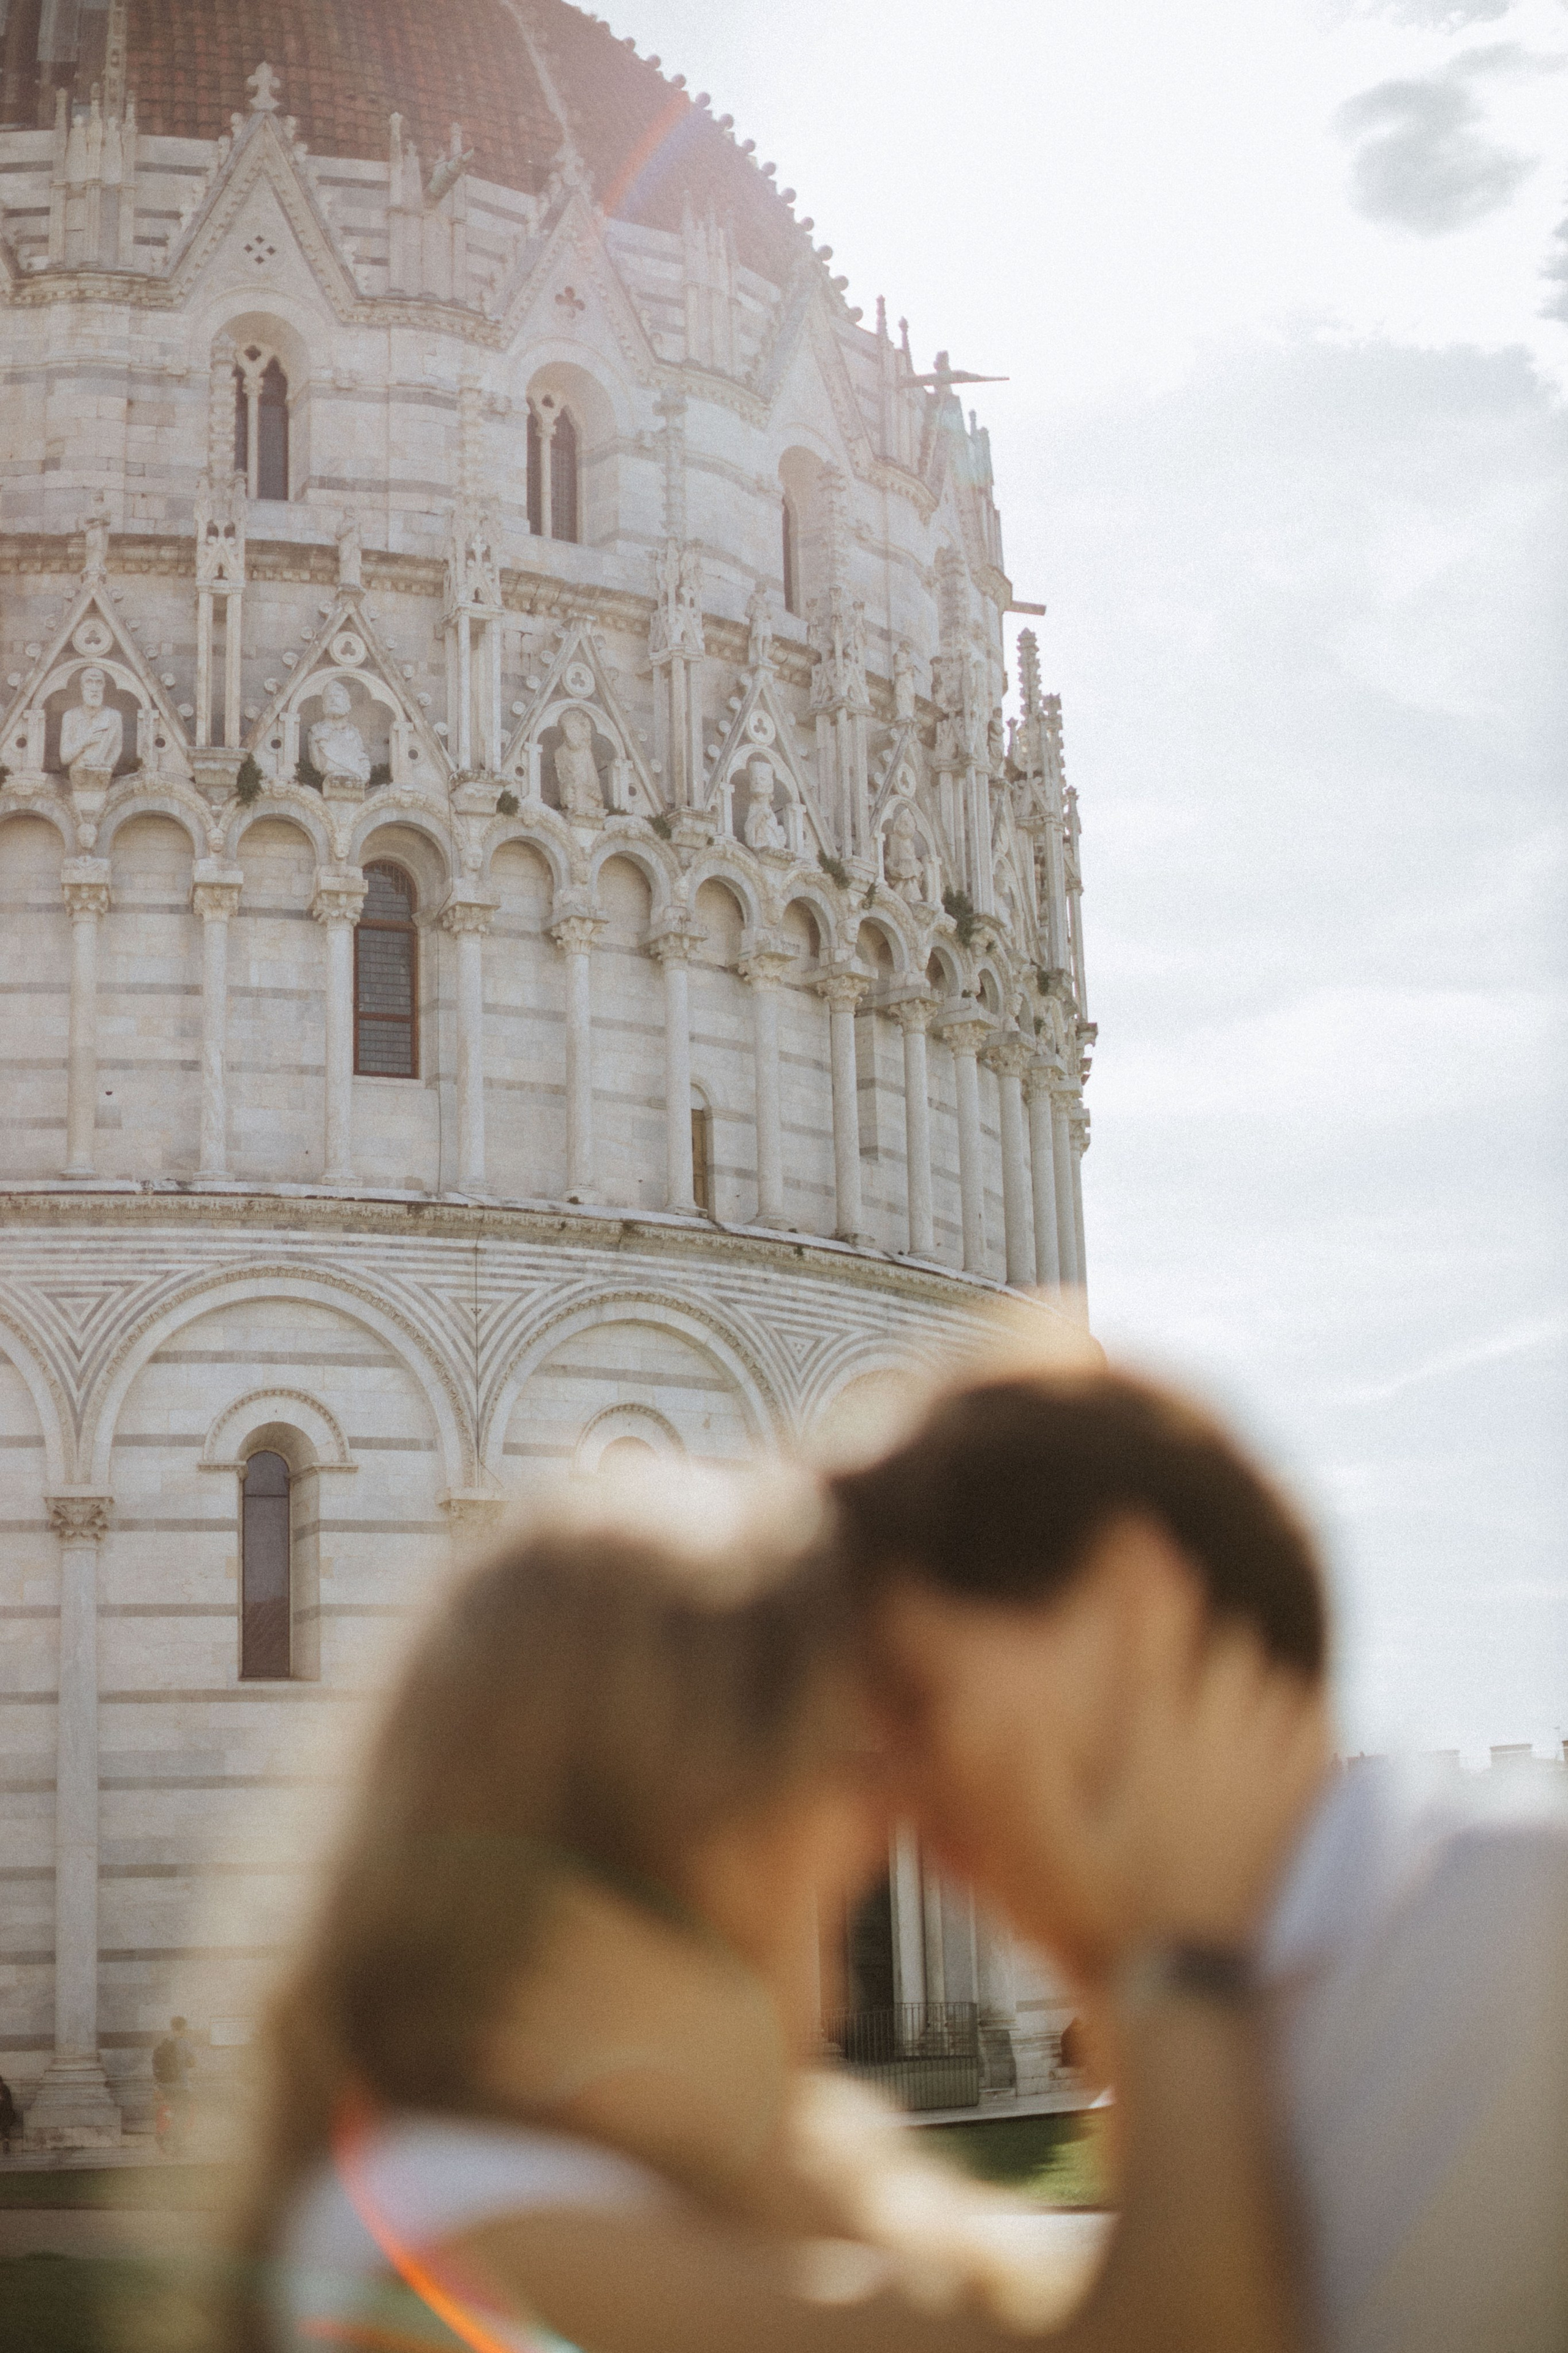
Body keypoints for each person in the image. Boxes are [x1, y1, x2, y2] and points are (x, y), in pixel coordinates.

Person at [232, 1459, 1322, 2353]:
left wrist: (767, 2139)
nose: (878, 1823)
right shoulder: (463, 2230)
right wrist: (1179, 1946)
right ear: (691, 1805)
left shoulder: (583, 2178)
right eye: (840, 1762)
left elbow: (1025, 2297)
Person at [830, 1345, 1568, 2353]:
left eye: (918, 1708)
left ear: (1133, 1612)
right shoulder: (1204, 2024)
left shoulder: (1526, 1934)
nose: (894, 1808)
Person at [0, 2071, 18, 2153]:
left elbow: (8, 2104)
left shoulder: (5, 2090)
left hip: (5, 2114)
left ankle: (6, 2143)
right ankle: (5, 2142)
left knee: (4, 2127)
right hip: (4, 2114)